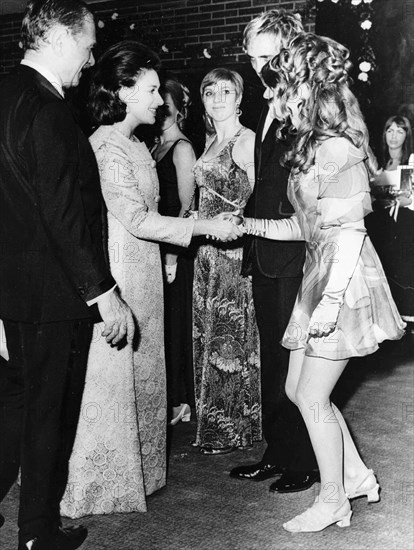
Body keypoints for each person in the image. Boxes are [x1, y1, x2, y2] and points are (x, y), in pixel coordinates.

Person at [60, 42, 242, 518]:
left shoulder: (135, 144)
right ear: (121, 91)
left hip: (144, 269)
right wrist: (204, 226)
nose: (160, 101)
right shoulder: (103, 146)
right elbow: (136, 219)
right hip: (119, 270)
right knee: (114, 376)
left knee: (145, 367)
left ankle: (141, 473)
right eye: (150, 90)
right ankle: (100, 482)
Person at [233, 32, 406, 532]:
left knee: (311, 395)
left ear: (303, 89)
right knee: (297, 387)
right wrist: (251, 226)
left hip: (342, 284)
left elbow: (349, 237)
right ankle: (354, 476)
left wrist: (328, 308)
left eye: (276, 86)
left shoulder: (337, 150)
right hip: (320, 273)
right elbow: (306, 228)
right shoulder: (311, 146)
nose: (268, 96)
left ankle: (334, 500)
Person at [0, 1, 134, 549]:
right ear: (58, 38)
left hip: (11, 293)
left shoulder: (6, 95)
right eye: (87, 42)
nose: (92, 54)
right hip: (52, 295)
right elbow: (63, 214)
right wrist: (104, 294)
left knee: (14, 407)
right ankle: (37, 533)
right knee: (48, 413)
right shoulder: (49, 110)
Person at [229, 9, 319, 493]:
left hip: (294, 250)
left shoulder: (304, 107)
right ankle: (277, 450)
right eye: (252, 55)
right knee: (272, 358)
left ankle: (304, 460)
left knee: (296, 363)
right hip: (264, 249)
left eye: (267, 56)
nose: (257, 65)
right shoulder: (269, 104)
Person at [192, 68, 261, 455]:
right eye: (210, 92)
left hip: (232, 251)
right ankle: (214, 423)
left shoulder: (245, 140)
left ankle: (233, 427)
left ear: (238, 98)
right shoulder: (210, 141)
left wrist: (235, 223)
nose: (217, 98)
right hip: (206, 251)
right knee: (209, 333)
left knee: (229, 338)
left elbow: (257, 195)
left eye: (226, 91)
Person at [152, 78, 197, 425]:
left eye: (168, 106)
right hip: (156, 242)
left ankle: (181, 399)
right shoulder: (155, 147)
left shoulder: (182, 147)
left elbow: (186, 204)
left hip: (175, 249)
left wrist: (172, 255)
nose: (161, 111)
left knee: (177, 322)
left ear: (180, 108)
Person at [366, 116, 414, 327]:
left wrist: (386, 201)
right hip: (381, 223)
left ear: (407, 135)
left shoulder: (409, 161)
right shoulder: (379, 164)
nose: (394, 136)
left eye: (400, 131)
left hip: (403, 223)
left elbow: (406, 197)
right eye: (390, 130)